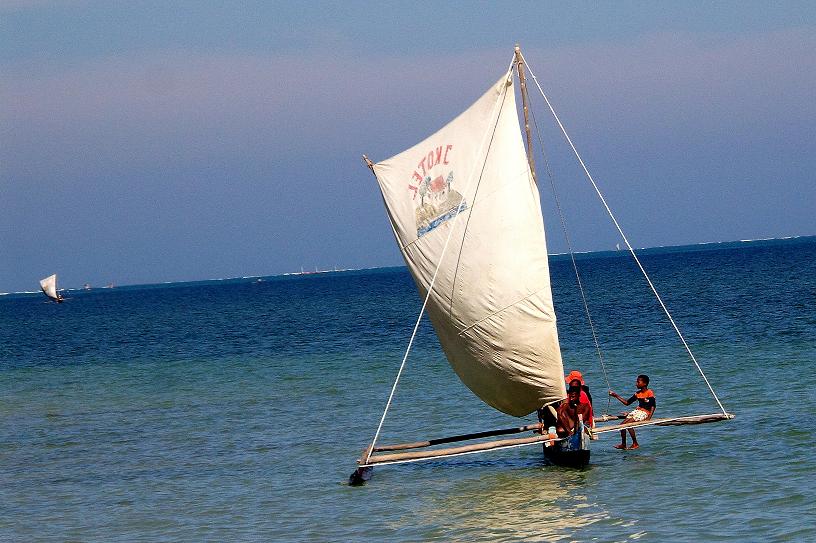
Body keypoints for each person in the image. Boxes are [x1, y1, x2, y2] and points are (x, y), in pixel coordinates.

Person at [609, 374, 656, 450]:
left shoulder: (649, 392)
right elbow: (627, 403)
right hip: (637, 411)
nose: (636, 384)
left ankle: (635, 443)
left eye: (638, 382)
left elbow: (653, 406)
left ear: (645, 383)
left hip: (644, 413)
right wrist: (616, 395)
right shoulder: (637, 394)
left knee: (627, 424)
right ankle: (623, 444)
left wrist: (649, 418)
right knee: (621, 425)